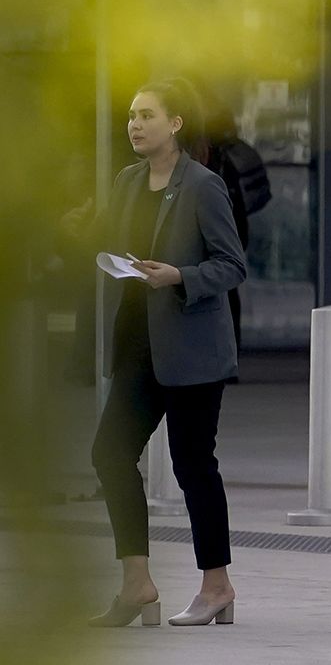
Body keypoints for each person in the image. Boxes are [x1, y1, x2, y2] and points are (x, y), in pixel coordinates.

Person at [66, 78, 247, 628]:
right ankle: (137, 584)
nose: (134, 125)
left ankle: (216, 587)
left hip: (191, 349)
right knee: (109, 454)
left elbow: (232, 265)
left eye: (146, 115)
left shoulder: (204, 186)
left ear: (175, 125)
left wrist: (179, 276)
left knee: (194, 466)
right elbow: (109, 238)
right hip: (138, 346)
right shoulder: (127, 181)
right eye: (129, 115)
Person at [203, 101, 271, 379]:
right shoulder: (231, 153)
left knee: (220, 295)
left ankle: (222, 360)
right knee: (227, 294)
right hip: (233, 229)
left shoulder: (212, 156)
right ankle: (228, 360)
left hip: (220, 231)